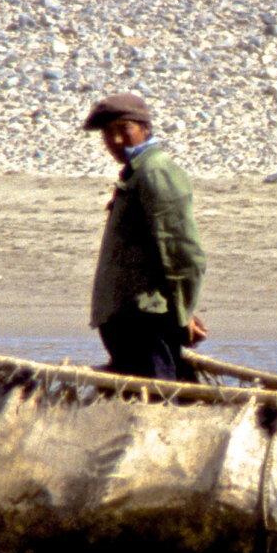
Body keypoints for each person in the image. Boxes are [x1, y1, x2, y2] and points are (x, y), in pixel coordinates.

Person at [82, 93, 208, 381]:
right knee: (139, 397)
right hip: (127, 316)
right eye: (107, 133)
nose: (115, 141)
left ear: (144, 128)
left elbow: (181, 251)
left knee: (157, 400)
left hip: (145, 318)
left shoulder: (156, 172)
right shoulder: (136, 173)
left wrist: (183, 311)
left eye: (123, 130)